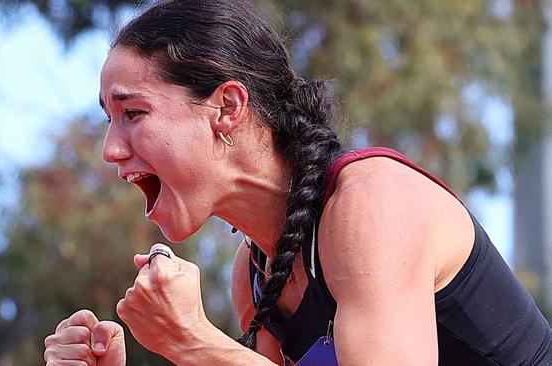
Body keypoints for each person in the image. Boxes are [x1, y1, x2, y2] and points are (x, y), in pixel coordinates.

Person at [43, 0, 552, 365]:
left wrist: (195, 341)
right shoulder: (256, 275)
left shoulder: (372, 206)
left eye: (133, 112)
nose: (110, 149)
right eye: (109, 119)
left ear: (227, 107)